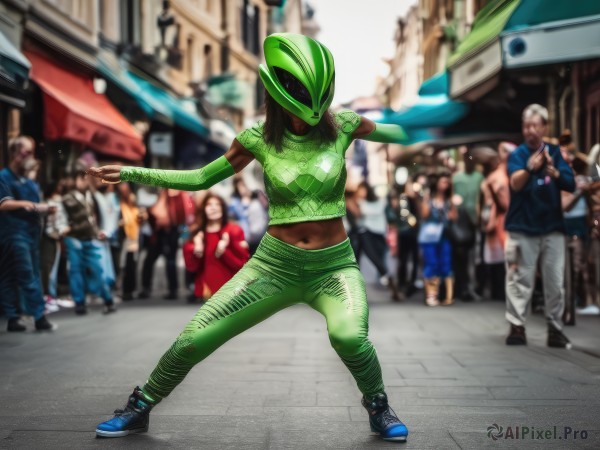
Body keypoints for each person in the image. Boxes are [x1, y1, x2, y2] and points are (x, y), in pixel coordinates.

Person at [89, 33, 409, 442]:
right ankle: (140, 406)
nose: (305, 117)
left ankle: (378, 407)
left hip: (334, 268)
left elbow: (400, 133)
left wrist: (440, 124)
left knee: (349, 336)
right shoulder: (257, 137)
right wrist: (136, 173)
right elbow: (202, 177)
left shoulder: (344, 125)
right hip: (273, 267)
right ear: (278, 96)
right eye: (297, 106)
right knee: (193, 339)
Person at [504, 104, 575, 348]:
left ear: (544, 127)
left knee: (555, 280)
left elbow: (571, 184)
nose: (530, 130)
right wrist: (530, 168)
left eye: (535, 125)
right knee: (518, 279)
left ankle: (555, 329)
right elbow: (515, 183)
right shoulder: (518, 154)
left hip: (552, 227)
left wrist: (555, 174)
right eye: (526, 126)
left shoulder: (555, 152)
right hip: (522, 226)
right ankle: (517, 326)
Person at [0, 137, 56, 332]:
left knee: (19, 274)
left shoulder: (29, 181)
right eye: (26, 152)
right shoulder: (4, 176)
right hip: (13, 233)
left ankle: (13, 318)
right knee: (26, 274)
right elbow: (3, 204)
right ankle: (39, 316)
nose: (30, 156)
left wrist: (45, 209)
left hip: (31, 234)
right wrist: (30, 205)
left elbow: (36, 205)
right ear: (15, 154)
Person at [62, 169, 116, 315]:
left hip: (92, 238)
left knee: (99, 269)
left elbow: (103, 215)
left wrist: (103, 231)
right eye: (84, 179)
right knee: (76, 271)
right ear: (77, 179)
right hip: (74, 239)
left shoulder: (93, 196)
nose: (87, 181)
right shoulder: (67, 198)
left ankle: (107, 299)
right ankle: (79, 303)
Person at [183, 192, 250, 302]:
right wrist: (196, 249)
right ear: (204, 209)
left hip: (230, 291)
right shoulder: (198, 234)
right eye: (209, 204)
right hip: (207, 291)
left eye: (217, 204)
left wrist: (224, 251)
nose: (213, 208)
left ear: (223, 208)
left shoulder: (233, 231)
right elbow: (191, 267)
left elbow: (242, 264)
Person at [352, 181, 401, 301]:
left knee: (377, 259)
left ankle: (389, 281)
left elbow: (381, 211)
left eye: (363, 190)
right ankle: (354, 290)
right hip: (364, 233)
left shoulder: (380, 202)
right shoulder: (358, 202)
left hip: (378, 234)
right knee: (356, 259)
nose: (362, 193)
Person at [418, 173, 457, 306]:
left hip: (444, 234)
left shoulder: (450, 199)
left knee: (445, 263)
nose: (445, 185)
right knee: (431, 263)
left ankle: (448, 296)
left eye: (447, 182)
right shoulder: (429, 198)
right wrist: (426, 199)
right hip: (430, 236)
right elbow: (424, 214)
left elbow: (454, 216)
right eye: (443, 182)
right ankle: (431, 296)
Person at [452, 148, 484, 301]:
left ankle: (471, 286)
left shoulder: (479, 177)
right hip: (461, 221)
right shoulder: (457, 178)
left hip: (475, 221)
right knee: (461, 256)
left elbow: (481, 197)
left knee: (475, 256)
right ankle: (462, 287)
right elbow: (453, 196)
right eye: (467, 158)